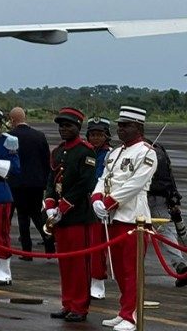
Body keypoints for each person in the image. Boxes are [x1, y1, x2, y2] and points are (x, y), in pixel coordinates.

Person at [91, 106, 158, 331]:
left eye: (125, 126)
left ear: (138, 127)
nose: (120, 130)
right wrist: (97, 198)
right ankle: (124, 311)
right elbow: (104, 177)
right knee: (118, 269)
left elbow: (134, 184)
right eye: (119, 125)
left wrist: (109, 202)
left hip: (133, 218)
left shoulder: (147, 152)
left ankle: (132, 315)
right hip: (113, 218)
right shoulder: (115, 152)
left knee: (131, 270)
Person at [43, 107, 97, 322]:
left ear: (78, 127)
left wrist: (63, 206)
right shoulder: (57, 152)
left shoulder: (86, 151)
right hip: (59, 216)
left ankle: (80, 306)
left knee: (78, 264)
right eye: (61, 126)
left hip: (78, 215)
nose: (64, 129)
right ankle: (67, 303)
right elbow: (51, 180)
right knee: (64, 263)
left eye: (68, 126)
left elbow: (86, 183)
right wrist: (49, 204)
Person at [8, 106, 54, 258]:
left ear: (13, 120)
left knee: (22, 216)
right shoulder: (39, 136)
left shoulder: (10, 137)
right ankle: (49, 245)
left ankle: (26, 251)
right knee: (37, 214)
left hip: (18, 183)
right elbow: (46, 160)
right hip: (36, 183)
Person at [147, 131, 187, 286]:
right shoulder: (160, 150)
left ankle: (180, 265)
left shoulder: (144, 151)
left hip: (147, 198)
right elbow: (169, 177)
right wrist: (173, 197)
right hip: (163, 197)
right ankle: (179, 264)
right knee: (167, 232)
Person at [0, 109, 21, 285]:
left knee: (1, 233)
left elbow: (15, 168)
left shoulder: (8, 141)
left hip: (0, 191)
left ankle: (5, 271)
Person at [86, 117, 114, 300]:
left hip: (99, 204)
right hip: (81, 203)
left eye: (99, 135)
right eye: (92, 134)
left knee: (97, 246)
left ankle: (98, 283)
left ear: (106, 136)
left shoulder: (111, 154)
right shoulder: (84, 151)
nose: (95, 138)